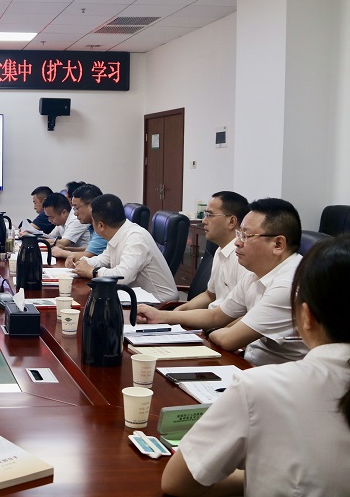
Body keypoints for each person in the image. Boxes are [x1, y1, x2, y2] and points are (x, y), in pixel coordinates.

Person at [161, 235, 350, 497]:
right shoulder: (252, 276)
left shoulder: (260, 388)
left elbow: (176, 482)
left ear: (306, 317)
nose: (240, 242)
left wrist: (262, 473)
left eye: (247, 235)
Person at [137, 198, 308, 365]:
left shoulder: (288, 285)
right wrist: (160, 316)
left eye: (246, 236)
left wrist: (208, 333)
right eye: (239, 234)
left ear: (278, 244)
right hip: (248, 363)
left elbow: (229, 339)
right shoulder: (255, 273)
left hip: (278, 376)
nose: (237, 242)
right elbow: (216, 316)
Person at [72, 194, 178, 302]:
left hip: (160, 303)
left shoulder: (136, 238)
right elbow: (103, 259)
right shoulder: (118, 233)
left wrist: (93, 272)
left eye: (92, 220)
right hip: (135, 297)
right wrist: (81, 262)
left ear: (101, 226)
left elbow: (122, 277)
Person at [173, 191, 249, 311]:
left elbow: (242, 313)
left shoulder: (242, 258)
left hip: (221, 321)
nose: (204, 221)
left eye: (209, 215)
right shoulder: (220, 251)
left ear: (231, 221)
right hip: (211, 317)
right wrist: (178, 311)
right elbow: (209, 295)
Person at [60, 184, 109, 262]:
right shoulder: (92, 225)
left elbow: (89, 256)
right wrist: (66, 249)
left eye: (76, 208)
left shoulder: (103, 225)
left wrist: (60, 252)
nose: (75, 213)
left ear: (91, 205)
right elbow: (91, 249)